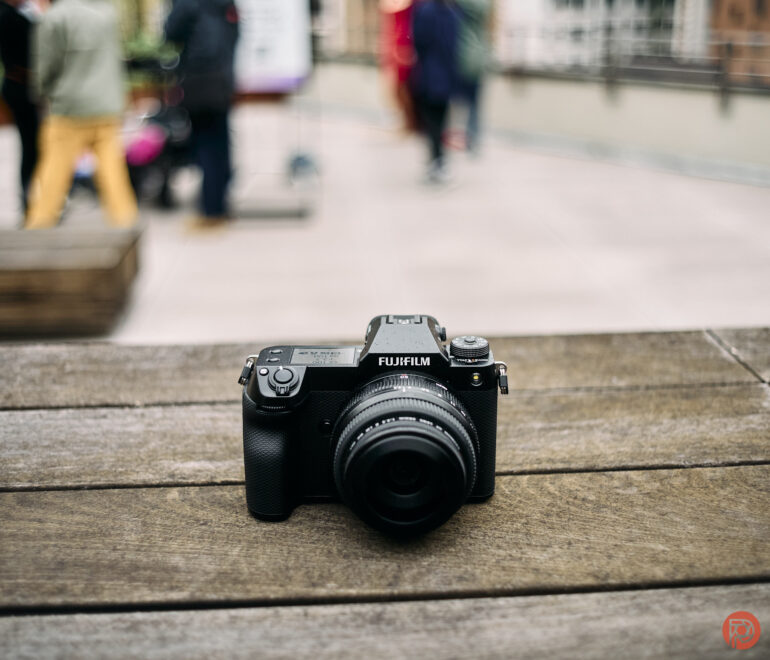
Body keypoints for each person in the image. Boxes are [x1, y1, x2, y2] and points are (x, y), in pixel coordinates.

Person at [25, 0, 137, 229]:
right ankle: (126, 227)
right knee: (113, 176)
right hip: (106, 106)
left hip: (69, 108)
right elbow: (117, 59)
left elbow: (45, 68)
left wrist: (42, 94)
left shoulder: (54, 17)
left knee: (52, 178)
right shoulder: (107, 13)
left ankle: (38, 229)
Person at [165, 0, 239, 226]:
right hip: (223, 80)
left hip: (198, 82)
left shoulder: (189, 3)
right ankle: (219, 204)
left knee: (205, 145)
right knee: (220, 144)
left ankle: (211, 210)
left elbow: (170, 33)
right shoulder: (227, 4)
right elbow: (236, 36)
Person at [0, 0, 42, 217]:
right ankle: (29, 198)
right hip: (20, 86)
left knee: (31, 144)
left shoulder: (12, 14)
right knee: (31, 145)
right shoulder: (9, 17)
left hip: (17, 85)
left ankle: (30, 197)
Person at [410, 0, 459, 184]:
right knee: (440, 121)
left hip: (429, 75)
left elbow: (418, 41)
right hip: (444, 75)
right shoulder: (452, 13)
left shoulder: (425, 11)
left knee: (432, 123)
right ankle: (438, 161)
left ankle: (436, 161)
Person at [455, 0, 491, 154]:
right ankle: (472, 139)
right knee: (474, 104)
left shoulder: (460, 6)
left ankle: (457, 136)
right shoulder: (483, 5)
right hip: (478, 58)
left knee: (453, 100)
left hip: (460, 57)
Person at [379, 0, 417, 132]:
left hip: (404, 47)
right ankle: (405, 119)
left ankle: (411, 121)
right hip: (392, 46)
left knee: (403, 87)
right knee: (394, 86)